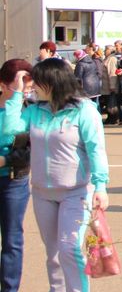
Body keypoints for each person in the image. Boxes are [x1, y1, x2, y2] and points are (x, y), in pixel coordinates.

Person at [1, 59, 109, 292]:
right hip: (43, 193)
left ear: (53, 83)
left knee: (69, 248)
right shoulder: (34, 110)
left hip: (77, 191)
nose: (33, 87)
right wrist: (17, 94)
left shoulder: (84, 111)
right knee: (54, 254)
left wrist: (101, 186)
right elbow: (11, 129)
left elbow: (96, 149)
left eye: (38, 82)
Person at [0, 60, 32, 292]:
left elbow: (32, 149)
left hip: (14, 181)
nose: (25, 89)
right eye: (20, 83)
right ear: (2, 85)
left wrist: (6, 160)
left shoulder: (30, 111)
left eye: (29, 84)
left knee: (12, 240)